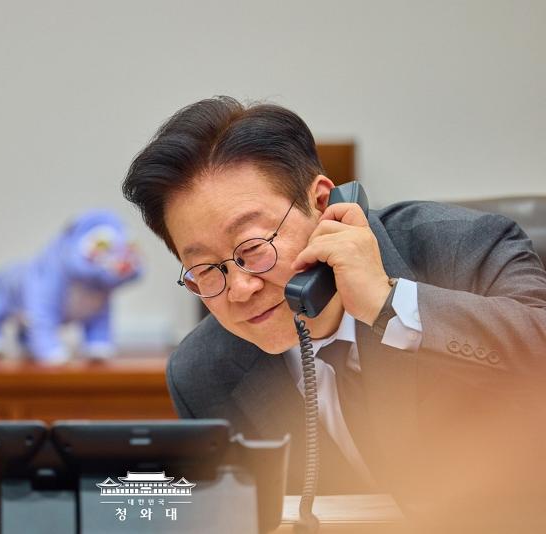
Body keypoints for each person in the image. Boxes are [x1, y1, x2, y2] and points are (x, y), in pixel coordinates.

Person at [122, 96, 546, 532]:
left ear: (321, 204)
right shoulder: (203, 372)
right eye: (206, 270)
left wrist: (389, 305)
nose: (241, 288)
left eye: (252, 248)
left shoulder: (459, 249)